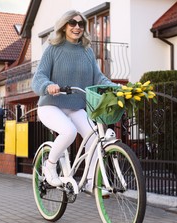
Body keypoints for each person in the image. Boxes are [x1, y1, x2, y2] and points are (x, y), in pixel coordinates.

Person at [32, 10, 115, 190]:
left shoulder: (87, 51)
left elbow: (98, 77)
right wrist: (48, 85)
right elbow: (39, 77)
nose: (77, 27)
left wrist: (114, 87)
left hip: (75, 107)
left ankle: (91, 182)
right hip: (51, 105)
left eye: (80, 24)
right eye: (72, 23)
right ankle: (50, 165)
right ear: (64, 26)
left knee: (93, 137)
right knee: (68, 132)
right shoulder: (53, 49)